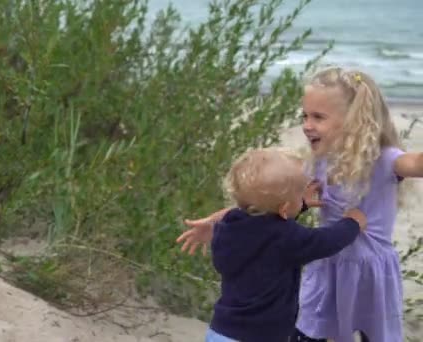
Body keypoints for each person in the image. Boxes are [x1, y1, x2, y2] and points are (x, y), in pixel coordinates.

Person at [178, 67, 423, 342]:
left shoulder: (384, 159)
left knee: (374, 333)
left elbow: (415, 163)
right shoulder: (317, 161)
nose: (307, 125)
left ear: (355, 121)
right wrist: (215, 221)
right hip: (324, 261)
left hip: (370, 273)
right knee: (308, 332)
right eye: (304, 116)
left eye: (318, 117)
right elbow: (262, 204)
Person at [185, 147, 366, 342]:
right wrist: (352, 224)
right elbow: (325, 241)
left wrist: (300, 204)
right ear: (285, 208)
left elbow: (268, 224)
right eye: (299, 194)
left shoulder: (228, 225)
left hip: (220, 331)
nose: (302, 197)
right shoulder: (285, 237)